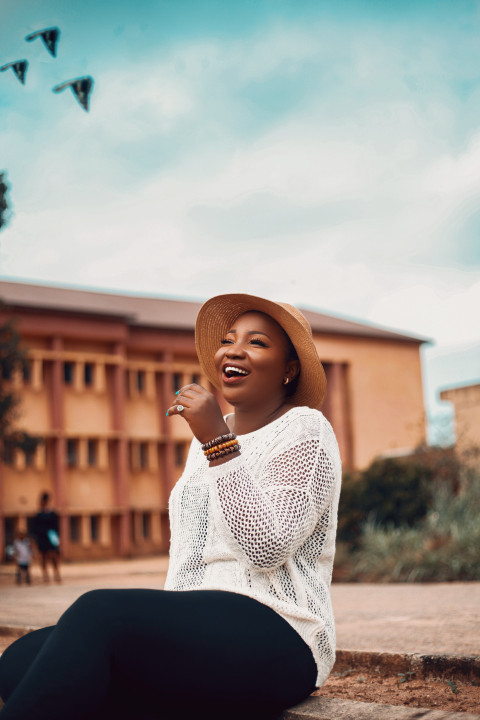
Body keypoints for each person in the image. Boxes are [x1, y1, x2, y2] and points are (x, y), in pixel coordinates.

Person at [0, 293, 341, 720]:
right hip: (201, 627)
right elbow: (190, 555)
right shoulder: (206, 443)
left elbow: (265, 547)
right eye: (229, 339)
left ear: (289, 369)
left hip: (281, 632)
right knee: (20, 661)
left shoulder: (304, 428)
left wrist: (218, 442)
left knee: (98, 612)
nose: (233, 350)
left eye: (257, 342)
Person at [32, 492, 61, 583]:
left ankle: (56, 574)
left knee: (53, 556)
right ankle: (45, 575)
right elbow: (35, 527)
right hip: (41, 537)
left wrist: (56, 538)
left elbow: (56, 526)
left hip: (51, 537)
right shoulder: (38, 514)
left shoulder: (52, 513)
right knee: (43, 556)